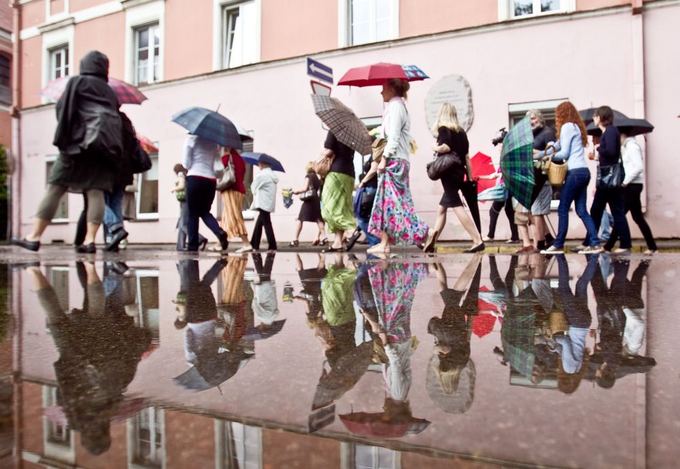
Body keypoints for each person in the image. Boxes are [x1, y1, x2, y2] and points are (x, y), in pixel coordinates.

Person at [12, 50, 122, 254]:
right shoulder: (109, 91)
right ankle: (90, 240)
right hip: (101, 149)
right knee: (95, 191)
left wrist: (64, 140)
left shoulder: (77, 82)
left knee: (55, 187)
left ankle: (34, 236)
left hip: (76, 145)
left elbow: (64, 110)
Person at [368, 79, 429, 254]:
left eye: (383, 88)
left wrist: (384, 159)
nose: (381, 92)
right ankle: (385, 243)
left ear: (392, 88)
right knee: (387, 203)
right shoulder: (395, 107)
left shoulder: (396, 107)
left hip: (394, 160)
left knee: (398, 204)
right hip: (399, 159)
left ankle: (425, 233)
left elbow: (393, 137)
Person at [539, 101, 602, 254]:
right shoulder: (575, 127)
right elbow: (559, 146)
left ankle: (558, 244)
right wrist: (539, 154)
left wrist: (549, 157)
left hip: (574, 173)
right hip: (583, 172)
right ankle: (595, 243)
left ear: (562, 114)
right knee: (581, 210)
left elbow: (564, 153)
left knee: (562, 208)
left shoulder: (567, 126)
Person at [423, 103, 484, 253]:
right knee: (441, 209)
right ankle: (431, 243)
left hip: (449, 174)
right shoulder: (462, 133)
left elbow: (446, 147)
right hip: (459, 173)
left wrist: (434, 147)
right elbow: (467, 158)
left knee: (457, 206)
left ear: (442, 114)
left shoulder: (444, 129)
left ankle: (477, 240)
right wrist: (469, 177)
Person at [604, 129, 657, 254]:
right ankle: (652, 247)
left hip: (632, 186)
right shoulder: (625, 147)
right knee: (637, 217)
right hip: (631, 185)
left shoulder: (632, 146)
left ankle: (610, 246)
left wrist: (624, 182)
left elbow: (638, 167)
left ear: (622, 135)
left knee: (620, 215)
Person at [589, 105, 632, 254]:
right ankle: (624, 243)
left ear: (601, 117)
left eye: (595, 116)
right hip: (608, 180)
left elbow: (612, 152)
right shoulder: (608, 132)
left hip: (609, 181)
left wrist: (600, 148)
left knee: (598, 211)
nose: (594, 118)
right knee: (611, 212)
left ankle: (592, 242)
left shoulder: (611, 131)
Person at [182, 134, 230, 253]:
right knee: (204, 211)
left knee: (192, 214)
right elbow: (217, 165)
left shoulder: (191, 140)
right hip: (210, 181)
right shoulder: (214, 142)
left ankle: (193, 246)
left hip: (195, 177)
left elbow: (186, 164)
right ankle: (219, 232)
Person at [101, 111, 138, 252]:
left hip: (108, 168)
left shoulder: (105, 119)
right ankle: (115, 238)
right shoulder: (125, 120)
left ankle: (115, 228)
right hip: (124, 169)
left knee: (100, 202)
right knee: (116, 203)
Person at [319, 130, 356, 252]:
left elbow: (329, 151)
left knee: (328, 207)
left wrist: (321, 155)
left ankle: (351, 230)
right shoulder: (352, 133)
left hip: (336, 172)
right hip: (350, 173)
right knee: (342, 206)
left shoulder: (334, 130)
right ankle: (338, 242)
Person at [528, 109, 555, 251]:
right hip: (534, 178)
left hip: (543, 178)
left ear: (540, 118)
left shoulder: (547, 132)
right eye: (529, 120)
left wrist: (533, 153)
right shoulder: (533, 135)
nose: (532, 121)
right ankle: (549, 238)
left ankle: (540, 244)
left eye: (533, 118)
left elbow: (553, 152)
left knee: (536, 212)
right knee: (534, 212)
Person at [239, 159, 278, 252]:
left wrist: (255, 190)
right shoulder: (272, 175)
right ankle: (254, 243)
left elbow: (253, 187)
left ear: (264, 164)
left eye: (259, 163)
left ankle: (272, 245)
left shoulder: (262, 175)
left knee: (267, 223)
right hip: (268, 202)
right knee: (260, 223)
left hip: (262, 202)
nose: (258, 164)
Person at [219, 148, 253, 251]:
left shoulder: (225, 158)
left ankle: (246, 243)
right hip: (240, 190)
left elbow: (218, 173)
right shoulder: (241, 159)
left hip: (230, 189)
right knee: (226, 217)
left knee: (234, 216)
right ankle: (220, 243)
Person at [346, 157, 381, 250]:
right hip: (373, 188)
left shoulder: (376, 154)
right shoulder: (376, 154)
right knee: (368, 217)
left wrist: (363, 181)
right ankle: (376, 242)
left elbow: (374, 169)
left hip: (371, 188)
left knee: (362, 218)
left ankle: (375, 242)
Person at [172, 163, 207, 251]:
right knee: (181, 224)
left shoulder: (181, 175)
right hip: (187, 201)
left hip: (185, 202)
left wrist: (174, 189)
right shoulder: (188, 175)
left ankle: (200, 238)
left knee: (184, 225)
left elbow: (181, 186)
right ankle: (180, 246)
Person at [290, 162, 326, 247]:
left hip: (309, 200)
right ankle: (324, 237)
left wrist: (295, 192)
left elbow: (305, 188)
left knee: (300, 219)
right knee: (318, 219)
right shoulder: (317, 178)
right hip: (316, 200)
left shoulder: (308, 176)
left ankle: (295, 239)